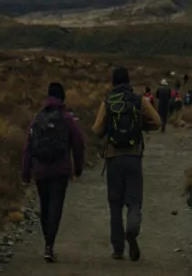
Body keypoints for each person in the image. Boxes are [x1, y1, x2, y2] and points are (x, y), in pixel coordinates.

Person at [92, 66, 161, 262]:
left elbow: (97, 130)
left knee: (115, 204)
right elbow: (157, 121)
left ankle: (117, 248)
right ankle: (132, 228)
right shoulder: (139, 100)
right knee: (134, 200)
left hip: (113, 158)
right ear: (129, 81)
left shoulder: (107, 102)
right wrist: (140, 125)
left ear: (113, 81)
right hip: (133, 156)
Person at [21, 82, 85, 264]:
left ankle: (48, 243)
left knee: (44, 205)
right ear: (63, 98)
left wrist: (26, 172)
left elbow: (28, 147)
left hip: (40, 170)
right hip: (60, 170)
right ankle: (50, 244)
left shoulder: (37, 119)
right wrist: (78, 167)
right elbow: (78, 143)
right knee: (56, 207)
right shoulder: (67, 118)